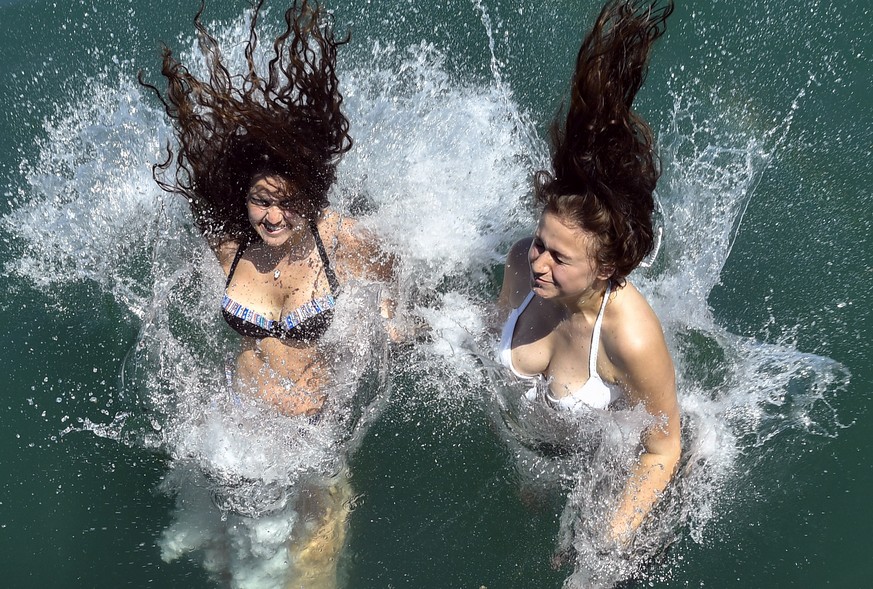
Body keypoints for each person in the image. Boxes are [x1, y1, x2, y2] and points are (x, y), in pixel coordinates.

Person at [139, 1, 391, 586]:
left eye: (287, 200)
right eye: (260, 199)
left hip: (310, 435)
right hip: (236, 427)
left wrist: (387, 316)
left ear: (311, 193)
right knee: (230, 566)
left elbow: (389, 270)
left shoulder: (336, 237)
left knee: (309, 575)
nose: (273, 216)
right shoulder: (229, 246)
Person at [496, 0, 680, 550]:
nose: (538, 262)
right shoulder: (518, 261)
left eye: (558, 257)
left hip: (592, 471)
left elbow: (661, 448)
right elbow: (489, 336)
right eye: (540, 243)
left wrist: (612, 534)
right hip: (525, 458)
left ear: (604, 267)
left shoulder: (631, 336)